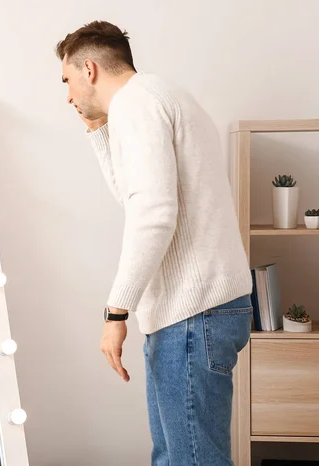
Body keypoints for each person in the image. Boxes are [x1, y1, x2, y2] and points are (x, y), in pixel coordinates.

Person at [56, 21, 253, 466]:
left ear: (88, 69)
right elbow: (136, 195)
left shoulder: (137, 104)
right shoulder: (156, 96)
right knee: (174, 456)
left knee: (189, 461)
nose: (67, 96)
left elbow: (153, 214)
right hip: (203, 309)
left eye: (66, 81)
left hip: (192, 312)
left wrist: (117, 310)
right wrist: (97, 131)